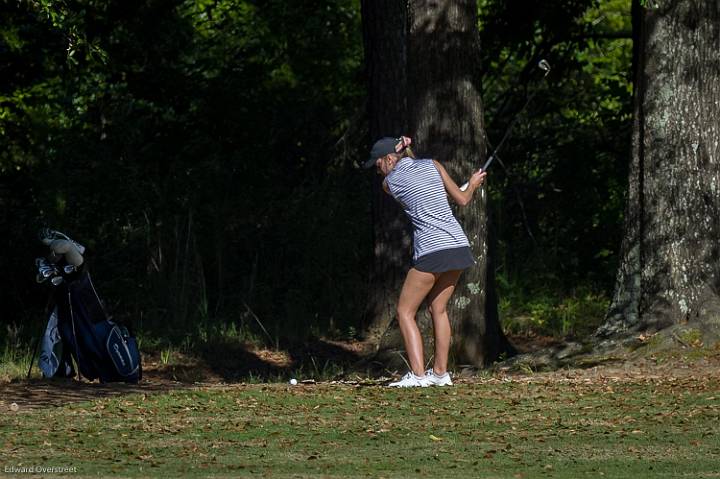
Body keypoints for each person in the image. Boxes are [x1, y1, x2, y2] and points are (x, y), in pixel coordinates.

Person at [364, 136, 486, 387]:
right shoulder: (433, 165)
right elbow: (463, 199)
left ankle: (418, 376)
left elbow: (415, 192)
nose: (378, 172)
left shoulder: (390, 183)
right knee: (437, 309)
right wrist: (472, 183)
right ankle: (440, 374)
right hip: (458, 246)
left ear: (389, 159)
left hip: (432, 250)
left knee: (404, 312)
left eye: (378, 165)